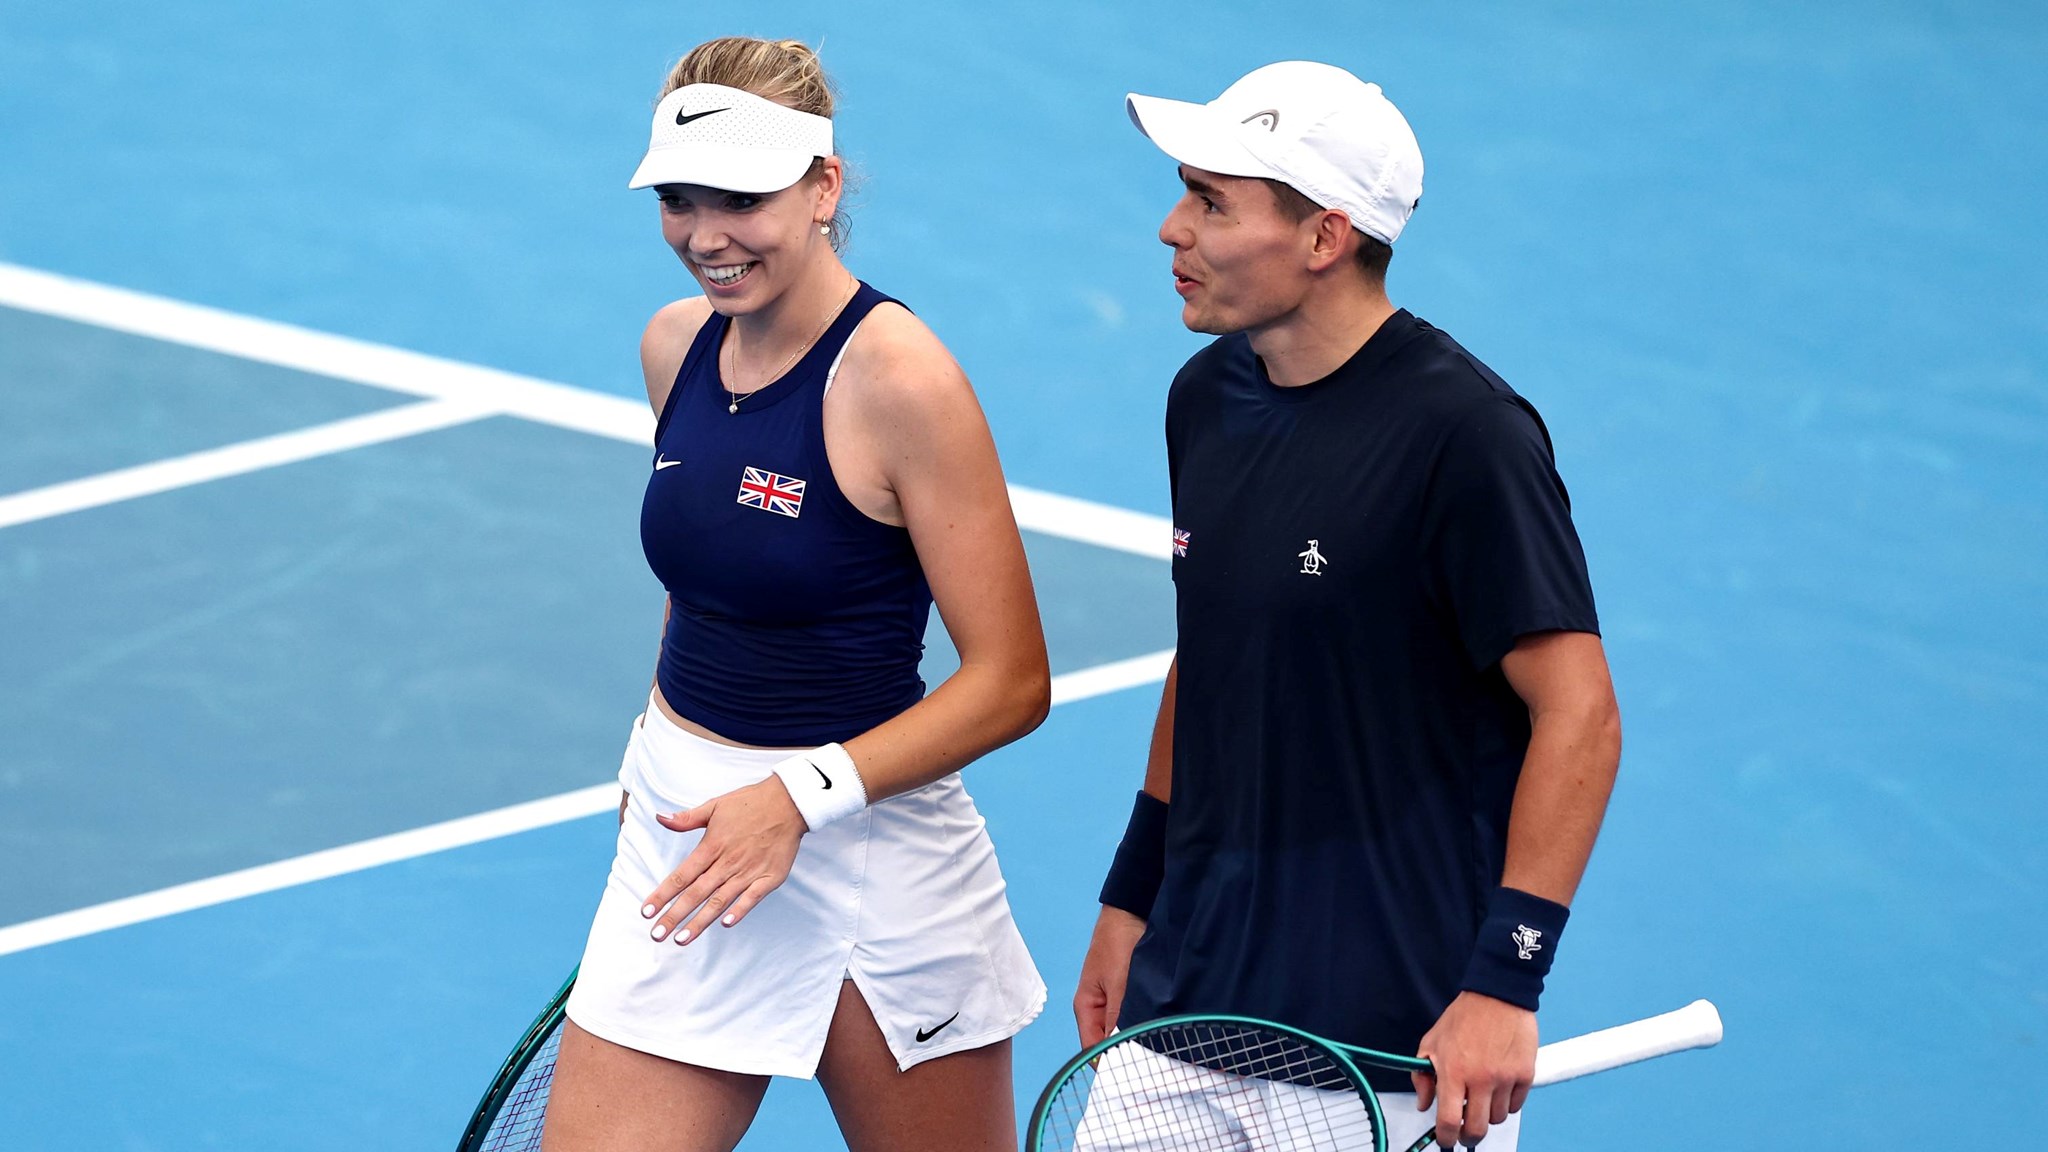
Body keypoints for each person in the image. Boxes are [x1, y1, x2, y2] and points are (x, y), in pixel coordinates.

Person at [1073, 61, 1623, 1151]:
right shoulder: (1204, 397)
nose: (1172, 230)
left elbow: (1581, 714)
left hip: (1385, 1050)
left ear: (1324, 237)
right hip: (1183, 1009)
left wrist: (1504, 983)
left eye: (1212, 204)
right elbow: (1212, 652)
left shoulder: (1466, 435)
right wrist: (1131, 896)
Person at [543, 37, 1051, 1152]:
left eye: (742, 200)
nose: (705, 236)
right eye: (679, 200)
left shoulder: (903, 383)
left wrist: (797, 798)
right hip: (693, 844)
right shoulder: (674, 347)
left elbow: (1013, 683)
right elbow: (709, 579)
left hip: (870, 854)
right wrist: (655, 746)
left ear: (823, 187)